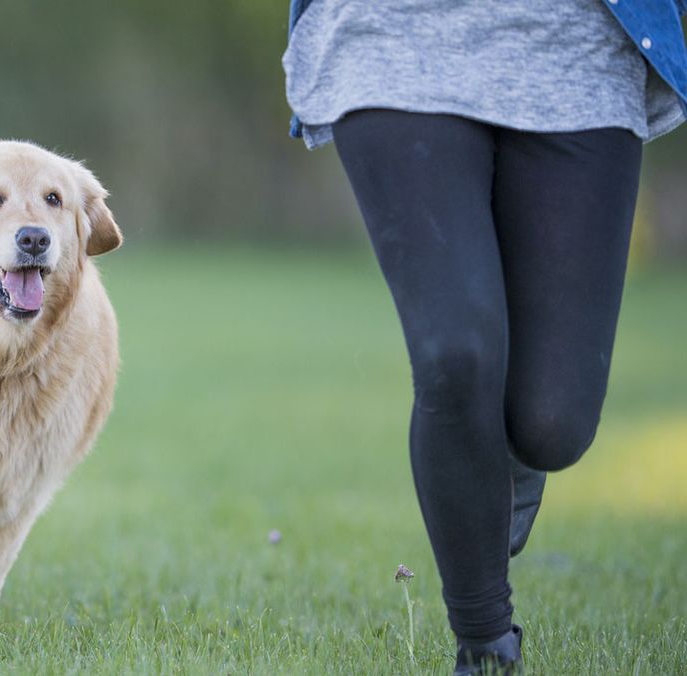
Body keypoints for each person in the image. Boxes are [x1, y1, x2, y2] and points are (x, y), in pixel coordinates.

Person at [281, 1, 687, 673]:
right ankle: (486, 641)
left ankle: (502, 457)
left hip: (576, 47)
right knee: (455, 355)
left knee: (552, 423)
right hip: (393, 38)